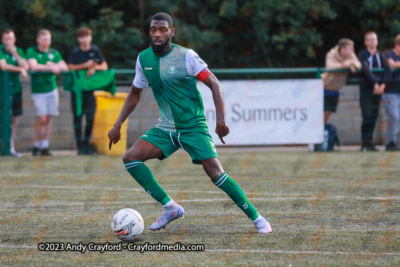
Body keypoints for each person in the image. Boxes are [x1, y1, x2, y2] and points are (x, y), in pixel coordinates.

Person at [108, 13, 271, 234]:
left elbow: (214, 84)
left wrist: (220, 121)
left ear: (171, 32)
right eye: (153, 29)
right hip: (166, 128)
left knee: (215, 173)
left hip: (193, 126)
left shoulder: (186, 56)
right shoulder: (143, 59)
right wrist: (118, 124)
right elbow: (135, 93)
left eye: (163, 29)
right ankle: (170, 207)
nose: (157, 34)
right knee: (130, 158)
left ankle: (258, 219)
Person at [26, 29, 69, 156]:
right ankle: (36, 144)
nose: (46, 42)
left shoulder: (54, 53)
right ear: (38, 40)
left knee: (48, 118)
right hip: (38, 91)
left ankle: (45, 146)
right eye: (44, 39)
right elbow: (33, 66)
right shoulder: (32, 51)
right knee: (42, 118)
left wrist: (53, 64)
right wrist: (51, 66)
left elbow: (64, 67)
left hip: (52, 89)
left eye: (48, 39)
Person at [68, 27, 108, 155]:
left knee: (91, 118)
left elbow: (104, 66)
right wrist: (86, 65)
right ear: (79, 39)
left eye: (87, 36)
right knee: (78, 118)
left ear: (90, 37)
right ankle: (80, 148)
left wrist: (94, 67)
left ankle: (86, 143)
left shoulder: (95, 50)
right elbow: (70, 67)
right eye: (82, 36)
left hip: (91, 91)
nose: (84, 39)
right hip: (77, 91)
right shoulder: (74, 52)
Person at [358, 31, 392, 151]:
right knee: (366, 116)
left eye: (374, 39)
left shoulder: (380, 55)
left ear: (377, 41)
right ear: (366, 42)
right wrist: (375, 83)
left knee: (374, 116)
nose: (372, 41)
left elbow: (388, 69)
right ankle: (364, 143)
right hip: (367, 90)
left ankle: (370, 143)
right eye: (370, 39)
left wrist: (382, 85)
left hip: (378, 91)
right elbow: (366, 70)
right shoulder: (363, 55)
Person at [0, 29, 29, 157]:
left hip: (16, 90)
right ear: (2, 40)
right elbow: (3, 66)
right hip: (2, 91)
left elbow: (26, 66)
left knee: (13, 119)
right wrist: (20, 70)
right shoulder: (0, 50)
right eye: (6, 39)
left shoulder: (19, 51)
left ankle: (10, 147)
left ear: (14, 39)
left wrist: (15, 54)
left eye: (10, 39)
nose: (8, 42)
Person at [321, 38, 361, 124]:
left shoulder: (351, 55)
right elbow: (330, 67)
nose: (353, 50)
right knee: (322, 113)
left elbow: (358, 64)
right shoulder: (331, 54)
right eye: (350, 48)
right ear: (343, 49)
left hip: (336, 89)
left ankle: (322, 130)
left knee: (328, 112)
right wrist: (345, 64)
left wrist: (351, 64)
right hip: (326, 87)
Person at [383, 35, 400, 151]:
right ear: (397, 45)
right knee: (394, 117)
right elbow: (392, 64)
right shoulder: (388, 54)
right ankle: (390, 143)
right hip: (390, 91)